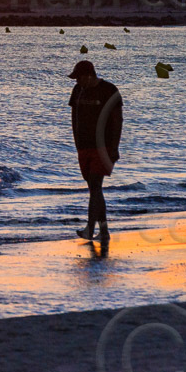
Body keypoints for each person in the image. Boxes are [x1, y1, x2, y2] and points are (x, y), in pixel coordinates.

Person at [69, 59, 123, 242]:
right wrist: (77, 143)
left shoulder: (109, 90)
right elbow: (73, 117)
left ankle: (90, 229)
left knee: (95, 185)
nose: (77, 82)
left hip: (104, 146)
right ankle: (105, 231)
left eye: (79, 78)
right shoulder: (77, 91)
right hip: (83, 147)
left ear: (89, 75)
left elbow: (118, 120)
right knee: (94, 189)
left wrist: (114, 147)